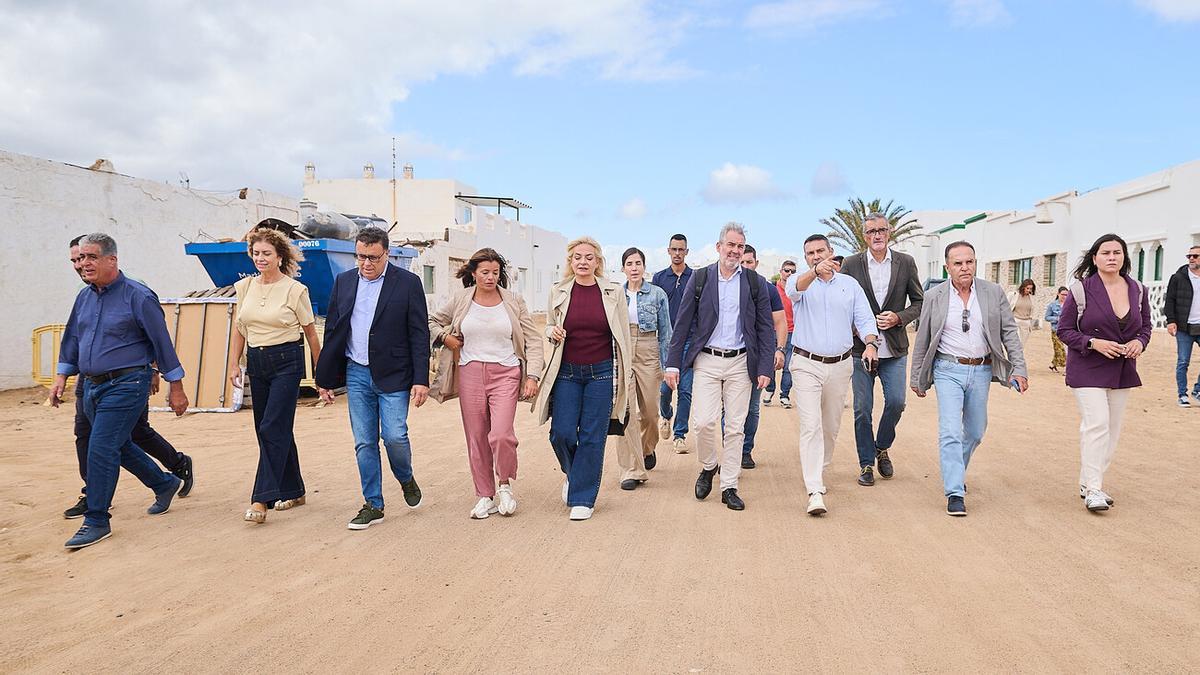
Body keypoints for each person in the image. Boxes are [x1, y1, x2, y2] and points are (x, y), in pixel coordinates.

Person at [50, 233, 190, 549]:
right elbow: (73, 338)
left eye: (91, 257)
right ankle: (164, 482)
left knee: (101, 446)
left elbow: (161, 342)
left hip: (128, 383)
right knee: (118, 445)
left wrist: (175, 386)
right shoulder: (84, 297)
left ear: (111, 260)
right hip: (91, 385)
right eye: (80, 258)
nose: (83, 263)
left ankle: (97, 519)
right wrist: (62, 376)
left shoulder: (138, 296)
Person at [314, 227, 429, 530]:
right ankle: (373, 504)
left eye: (373, 258)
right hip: (357, 373)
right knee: (364, 442)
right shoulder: (344, 282)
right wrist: (324, 378)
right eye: (361, 256)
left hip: (394, 375)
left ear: (386, 254)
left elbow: (419, 334)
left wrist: (421, 379)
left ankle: (405, 478)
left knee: (394, 437)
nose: (366, 263)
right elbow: (334, 331)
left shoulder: (408, 284)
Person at [910, 241, 1028, 517]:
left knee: (975, 431)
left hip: (982, 370)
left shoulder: (992, 292)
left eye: (969, 262)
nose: (965, 268)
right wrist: (917, 376)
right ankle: (954, 491)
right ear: (947, 266)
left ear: (975, 263)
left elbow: (1009, 332)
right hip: (947, 369)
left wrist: (1019, 368)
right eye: (958, 263)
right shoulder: (935, 296)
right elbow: (923, 338)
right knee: (950, 430)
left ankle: (956, 469)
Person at [664, 223, 775, 512]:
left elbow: (765, 328)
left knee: (736, 427)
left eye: (740, 246)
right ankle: (709, 465)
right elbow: (683, 324)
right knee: (702, 422)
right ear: (718, 246)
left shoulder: (754, 282)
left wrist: (765, 366)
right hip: (708, 361)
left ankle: (729, 485)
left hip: (741, 362)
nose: (735, 251)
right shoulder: (701, 278)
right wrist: (673, 363)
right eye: (731, 245)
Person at [428, 248, 543, 519]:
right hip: (470, 373)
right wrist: (446, 338)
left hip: (506, 373)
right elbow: (433, 321)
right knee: (477, 437)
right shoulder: (461, 299)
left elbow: (533, 339)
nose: (490, 278)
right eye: (485, 273)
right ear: (473, 273)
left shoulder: (513, 301)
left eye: (495, 272)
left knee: (501, 434)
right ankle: (484, 495)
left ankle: (504, 484)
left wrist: (533, 376)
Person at [533, 236, 633, 521]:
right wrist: (551, 331)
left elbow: (623, 336)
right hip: (566, 373)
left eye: (589, 257)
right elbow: (550, 325)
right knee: (561, 433)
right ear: (570, 261)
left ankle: (583, 499)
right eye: (577, 257)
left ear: (598, 262)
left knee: (592, 436)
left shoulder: (613, 293)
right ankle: (575, 474)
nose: (583, 262)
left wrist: (627, 376)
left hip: (601, 373)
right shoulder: (559, 291)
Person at [228, 228, 322, 525]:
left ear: (280, 257)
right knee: (270, 429)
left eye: (266, 253)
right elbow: (239, 330)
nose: (260, 258)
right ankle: (294, 489)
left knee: (272, 427)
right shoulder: (243, 287)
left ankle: (261, 498)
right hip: (256, 362)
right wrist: (234, 365)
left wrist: (323, 374)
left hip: (286, 362)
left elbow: (310, 333)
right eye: (256, 253)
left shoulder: (295, 290)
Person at [786, 235, 880, 515]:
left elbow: (864, 319)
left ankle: (819, 469)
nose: (816, 256)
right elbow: (794, 289)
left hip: (840, 365)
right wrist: (814, 273)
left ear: (831, 252)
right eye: (810, 253)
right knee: (811, 425)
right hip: (805, 364)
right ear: (806, 258)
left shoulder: (850, 286)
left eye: (820, 251)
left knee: (830, 427)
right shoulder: (799, 283)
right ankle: (814, 489)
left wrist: (871, 344)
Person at [1057, 234, 1151, 512]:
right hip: (1087, 367)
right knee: (1097, 423)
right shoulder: (1081, 291)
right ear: (1095, 258)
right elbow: (1064, 330)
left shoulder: (1138, 289)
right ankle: (1094, 489)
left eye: (1117, 253)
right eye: (1106, 252)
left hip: (1122, 368)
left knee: (1112, 429)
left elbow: (1145, 326)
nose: (1112, 257)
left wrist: (1139, 343)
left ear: (1125, 257)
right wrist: (1092, 342)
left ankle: (1089, 482)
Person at [839, 212, 924, 486]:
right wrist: (857, 327)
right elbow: (841, 302)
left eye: (882, 230)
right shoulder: (851, 264)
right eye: (871, 231)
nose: (877, 235)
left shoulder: (906, 263)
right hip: (860, 350)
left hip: (895, 349)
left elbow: (919, 303)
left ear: (890, 232)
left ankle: (881, 447)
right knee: (862, 408)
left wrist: (899, 317)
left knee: (897, 402)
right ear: (864, 236)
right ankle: (866, 464)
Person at [617, 247, 672, 490]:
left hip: (649, 349)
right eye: (629, 264)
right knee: (625, 412)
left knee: (650, 412)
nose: (634, 268)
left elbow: (666, 333)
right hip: (623, 349)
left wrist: (668, 364)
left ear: (644, 266)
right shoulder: (615, 294)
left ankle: (647, 447)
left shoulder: (658, 294)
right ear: (623, 268)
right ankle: (631, 469)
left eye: (638, 263)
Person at [739, 244, 786, 470]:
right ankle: (732, 448)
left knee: (752, 406)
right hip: (733, 356)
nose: (746, 266)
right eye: (742, 262)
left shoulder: (768, 289)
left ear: (756, 263)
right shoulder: (726, 287)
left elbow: (780, 322)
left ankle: (745, 450)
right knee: (728, 408)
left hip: (759, 356)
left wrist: (780, 349)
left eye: (749, 262)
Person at [651, 234, 694, 454]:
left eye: (681, 250)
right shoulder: (659, 278)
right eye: (674, 249)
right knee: (665, 388)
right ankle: (665, 415)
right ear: (668, 251)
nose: (677, 253)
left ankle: (680, 434)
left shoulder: (695, 277)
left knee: (686, 390)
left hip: (688, 342)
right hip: (665, 342)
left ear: (687, 252)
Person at [1164, 245, 1200, 407]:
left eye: (1195, 256)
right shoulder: (1178, 277)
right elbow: (1169, 300)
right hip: (1184, 327)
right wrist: (1171, 320)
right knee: (1183, 361)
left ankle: (1197, 390)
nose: (1191, 259)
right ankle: (1182, 394)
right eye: (1189, 256)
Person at [762, 259, 797, 409]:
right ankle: (770, 390)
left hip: (792, 333)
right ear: (781, 272)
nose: (789, 274)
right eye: (787, 270)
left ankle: (785, 395)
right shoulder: (772, 290)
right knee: (771, 363)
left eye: (793, 271)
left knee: (788, 366)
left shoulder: (797, 290)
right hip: (773, 332)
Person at [1044, 286, 1069, 374]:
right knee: (1060, 349)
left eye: (1067, 295)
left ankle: (1053, 365)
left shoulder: (1070, 304)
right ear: (1058, 294)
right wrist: (1057, 318)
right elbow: (1046, 317)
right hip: (1056, 330)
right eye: (1063, 294)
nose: (1064, 296)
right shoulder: (1052, 305)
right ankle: (1067, 369)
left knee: (1064, 349)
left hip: (1067, 330)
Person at [1011, 279, 1036, 346]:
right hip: (1015, 321)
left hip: (1026, 323)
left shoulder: (1031, 298)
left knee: (1022, 345)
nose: (1029, 290)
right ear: (1023, 287)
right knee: (1016, 344)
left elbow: (1032, 311)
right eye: (1027, 288)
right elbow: (1007, 308)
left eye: (1031, 289)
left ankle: (1018, 356)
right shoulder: (1014, 295)